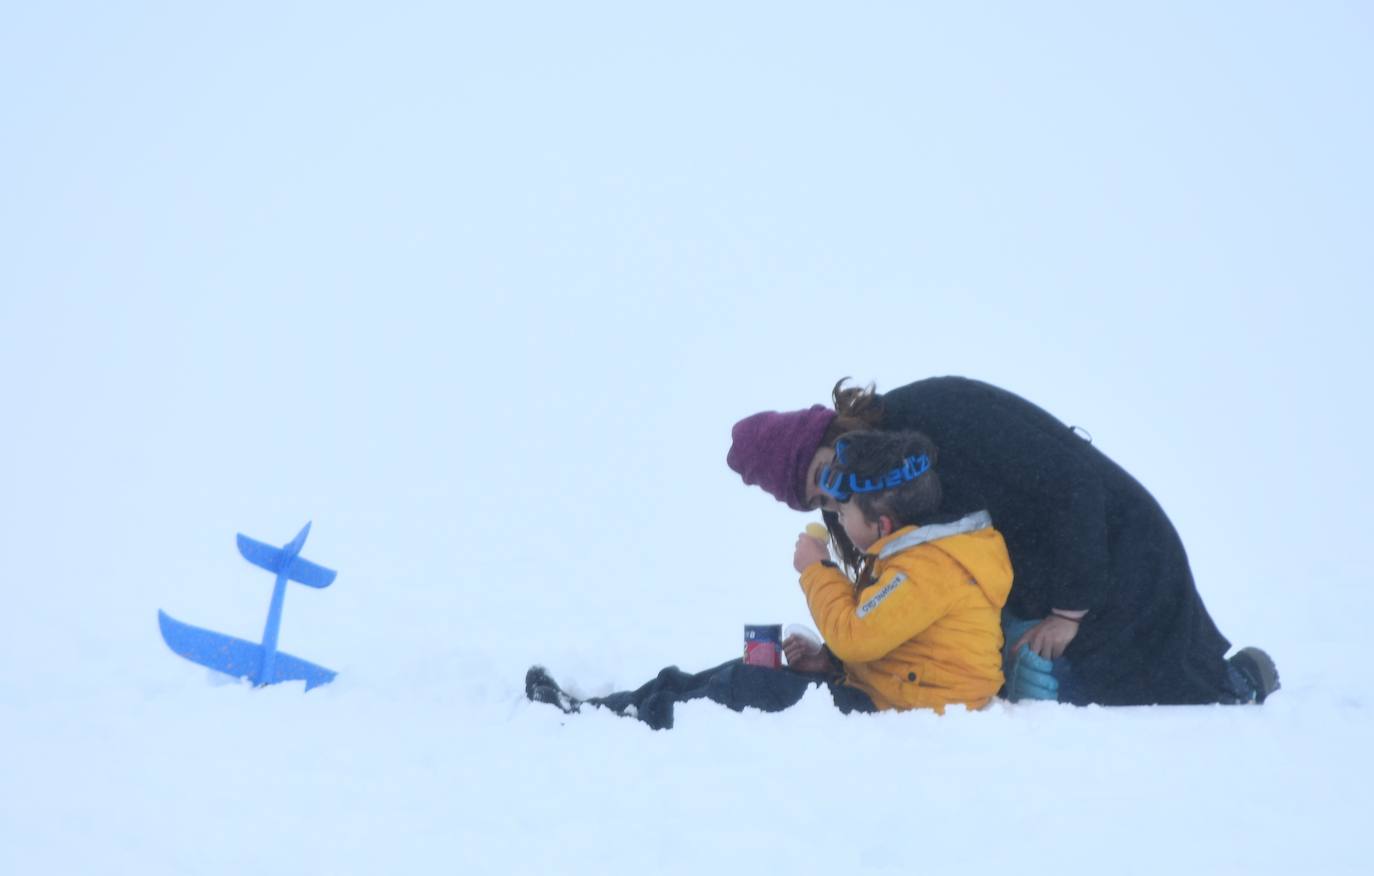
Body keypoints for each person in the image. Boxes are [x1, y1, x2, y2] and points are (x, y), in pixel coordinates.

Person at [727, 376, 1280, 707]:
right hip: (1034, 579)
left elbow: (1074, 484)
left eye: (824, 474)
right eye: (819, 501)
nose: (833, 496)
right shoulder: (882, 489)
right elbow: (906, 601)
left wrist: (1068, 612)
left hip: (1111, 545)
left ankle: (1241, 682)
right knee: (1052, 683)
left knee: (1151, 686)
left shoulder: (937, 413)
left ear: (834, 434)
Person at [525, 429, 1010, 728]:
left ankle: (627, 723)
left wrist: (817, 569)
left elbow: (858, 635)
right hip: (893, 698)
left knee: (745, 685)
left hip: (907, 717)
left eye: (842, 512)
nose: (837, 521)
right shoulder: (918, 561)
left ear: (881, 525)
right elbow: (892, 643)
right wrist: (828, 663)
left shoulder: (929, 570)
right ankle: (614, 710)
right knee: (743, 672)